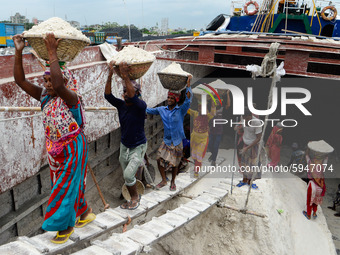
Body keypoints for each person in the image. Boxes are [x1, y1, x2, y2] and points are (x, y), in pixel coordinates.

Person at [13, 33, 95, 244]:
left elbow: (59, 86)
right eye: (46, 80)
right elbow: (20, 81)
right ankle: (84, 213)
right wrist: (19, 50)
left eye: (53, 80)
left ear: (67, 82)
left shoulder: (72, 99)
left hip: (73, 148)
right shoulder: (44, 97)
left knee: (64, 188)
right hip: (55, 150)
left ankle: (65, 227)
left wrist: (52, 52)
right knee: (67, 184)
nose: (49, 84)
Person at [104, 61, 147, 210]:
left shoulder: (141, 106)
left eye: (129, 92)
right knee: (126, 175)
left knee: (129, 175)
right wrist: (110, 74)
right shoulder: (121, 105)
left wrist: (125, 76)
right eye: (124, 92)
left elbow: (133, 97)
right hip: (125, 145)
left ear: (136, 94)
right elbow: (107, 95)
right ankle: (132, 198)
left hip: (138, 146)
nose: (126, 95)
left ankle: (135, 198)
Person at [146, 76, 192, 191]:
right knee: (158, 159)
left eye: (171, 98)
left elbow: (188, 100)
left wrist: (188, 85)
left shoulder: (180, 110)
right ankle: (164, 180)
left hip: (177, 140)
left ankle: (173, 182)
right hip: (167, 140)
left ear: (176, 100)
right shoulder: (162, 110)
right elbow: (148, 110)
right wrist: (137, 102)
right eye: (168, 98)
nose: (169, 99)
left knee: (175, 163)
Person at [189, 97, 216, 177]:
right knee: (194, 155)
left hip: (202, 139)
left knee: (199, 155)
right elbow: (187, 109)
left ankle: (196, 172)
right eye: (199, 107)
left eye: (202, 108)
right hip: (194, 138)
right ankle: (196, 166)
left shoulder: (207, 116)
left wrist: (212, 100)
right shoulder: (195, 113)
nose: (200, 109)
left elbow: (213, 111)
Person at [236, 108, 262, 189]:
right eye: (244, 119)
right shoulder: (242, 118)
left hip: (253, 145)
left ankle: (250, 182)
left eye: (247, 118)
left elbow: (258, 138)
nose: (246, 120)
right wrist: (237, 127)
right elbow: (241, 126)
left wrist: (247, 148)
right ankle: (244, 180)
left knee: (252, 165)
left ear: (251, 115)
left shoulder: (257, 122)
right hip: (245, 143)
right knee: (243, 163)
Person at [208, 89, 231, 166]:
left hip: (219, 130)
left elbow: (228, 105)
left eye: (218, 102)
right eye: (215, 102)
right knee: (210, 145)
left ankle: (213, 160)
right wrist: (212, 96)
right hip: (211, 130)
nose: (216, 103)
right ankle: (213, 154)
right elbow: (212, 104)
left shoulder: (222, 109)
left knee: (216, 146)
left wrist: (227, 94)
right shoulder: (212, 110)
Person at [303, 154, 327, 220]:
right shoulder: (322, 166)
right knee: (316, 201)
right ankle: (314, 213)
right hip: (320, 187)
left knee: (309, 200)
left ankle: (308, 214)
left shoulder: (311, 165)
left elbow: (307, 157)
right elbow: (325, 161)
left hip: (312, 185)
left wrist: (307, 152)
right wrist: (325, 155)